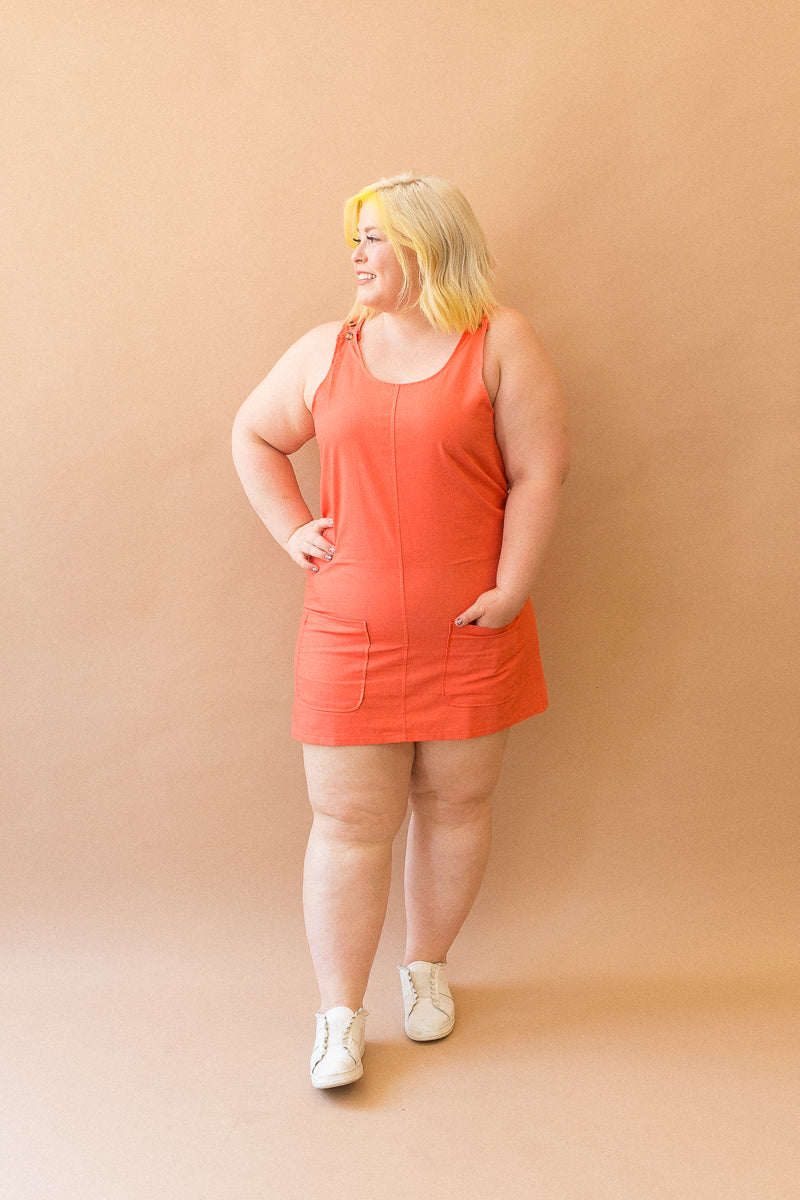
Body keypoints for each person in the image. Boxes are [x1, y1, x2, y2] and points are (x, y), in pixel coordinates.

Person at [232, 173, 569, 1089]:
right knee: (347, 824)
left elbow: (540, 473)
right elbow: (254, 435)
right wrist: (293, 529)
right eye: (358, 235)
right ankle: (340, 1017)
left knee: (456, 808)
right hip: (351, 635)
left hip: (473, 629)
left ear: (429, 245)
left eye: (375, 236)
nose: (357, 253)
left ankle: (427, 970)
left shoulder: (500, 340)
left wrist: (512, 588)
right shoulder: (324, 349)